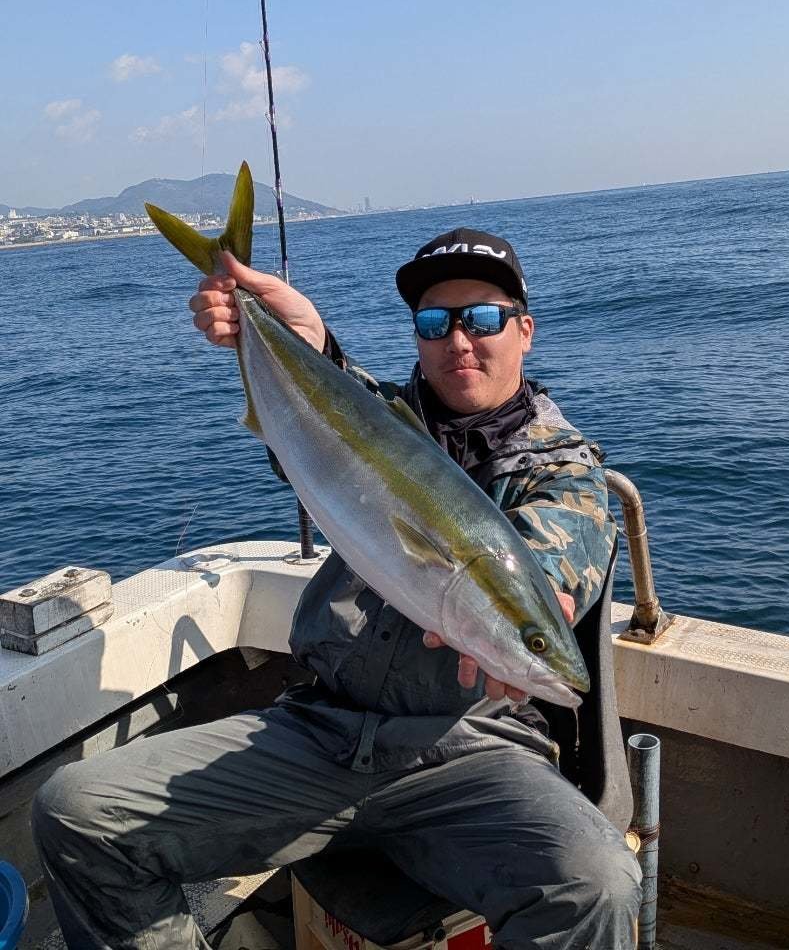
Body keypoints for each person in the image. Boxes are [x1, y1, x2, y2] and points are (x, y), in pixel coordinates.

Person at [32, 228, 642, 949]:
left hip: (470, 750)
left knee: (596, 884)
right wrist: (300, 340)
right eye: (434, 322)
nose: (459, 341)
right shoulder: (371, 417)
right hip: (320, 731)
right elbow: (337, 416)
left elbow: (550, 562)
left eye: (483, 318)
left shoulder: (564, 469)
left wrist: (532, 621)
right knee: (76, 811)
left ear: (524, 331)